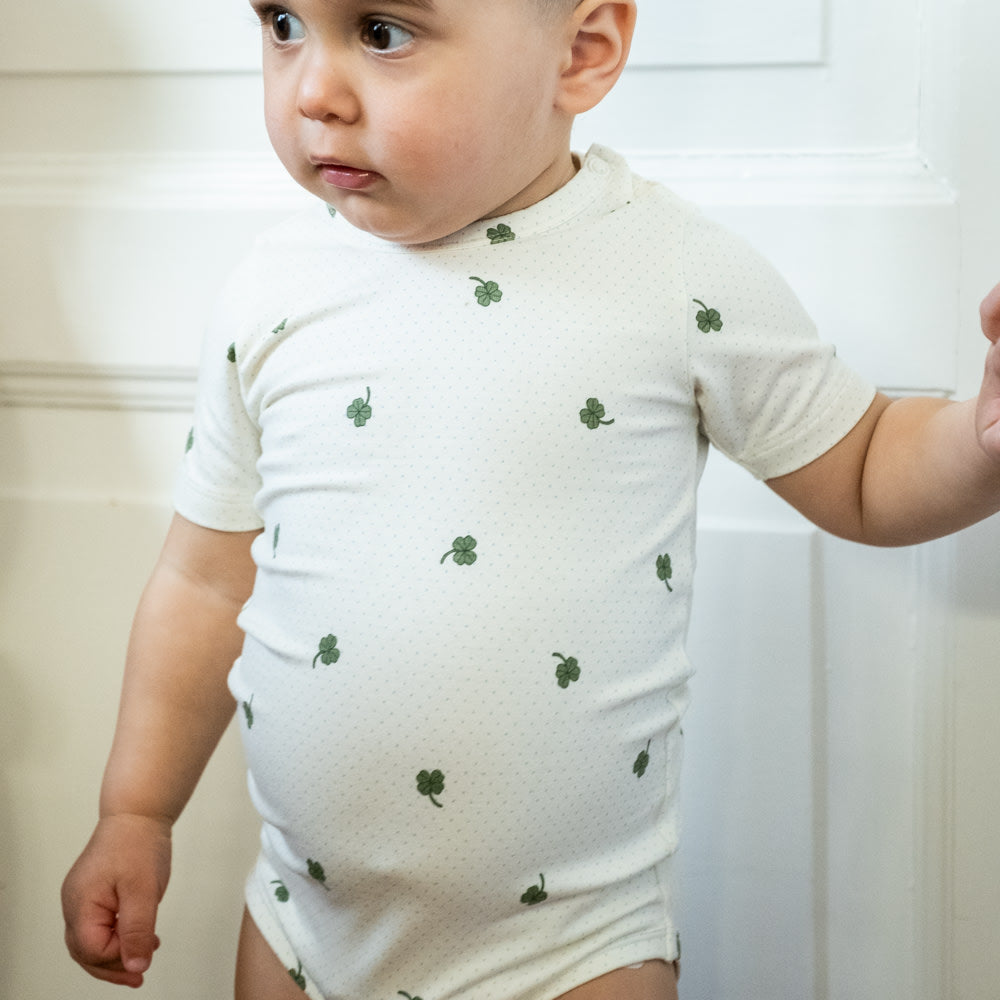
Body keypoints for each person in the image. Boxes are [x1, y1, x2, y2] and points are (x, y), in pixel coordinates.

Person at [61, 1, 1000, 998]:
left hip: (573, 952)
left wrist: (980, 442)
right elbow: (205, 583)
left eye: (381, 32)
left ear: (582, 53)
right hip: (303, 926)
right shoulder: (271, 290)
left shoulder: (670, 272)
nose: (313, 92)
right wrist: (135, 811)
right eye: (284, 23)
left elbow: (862, 467)